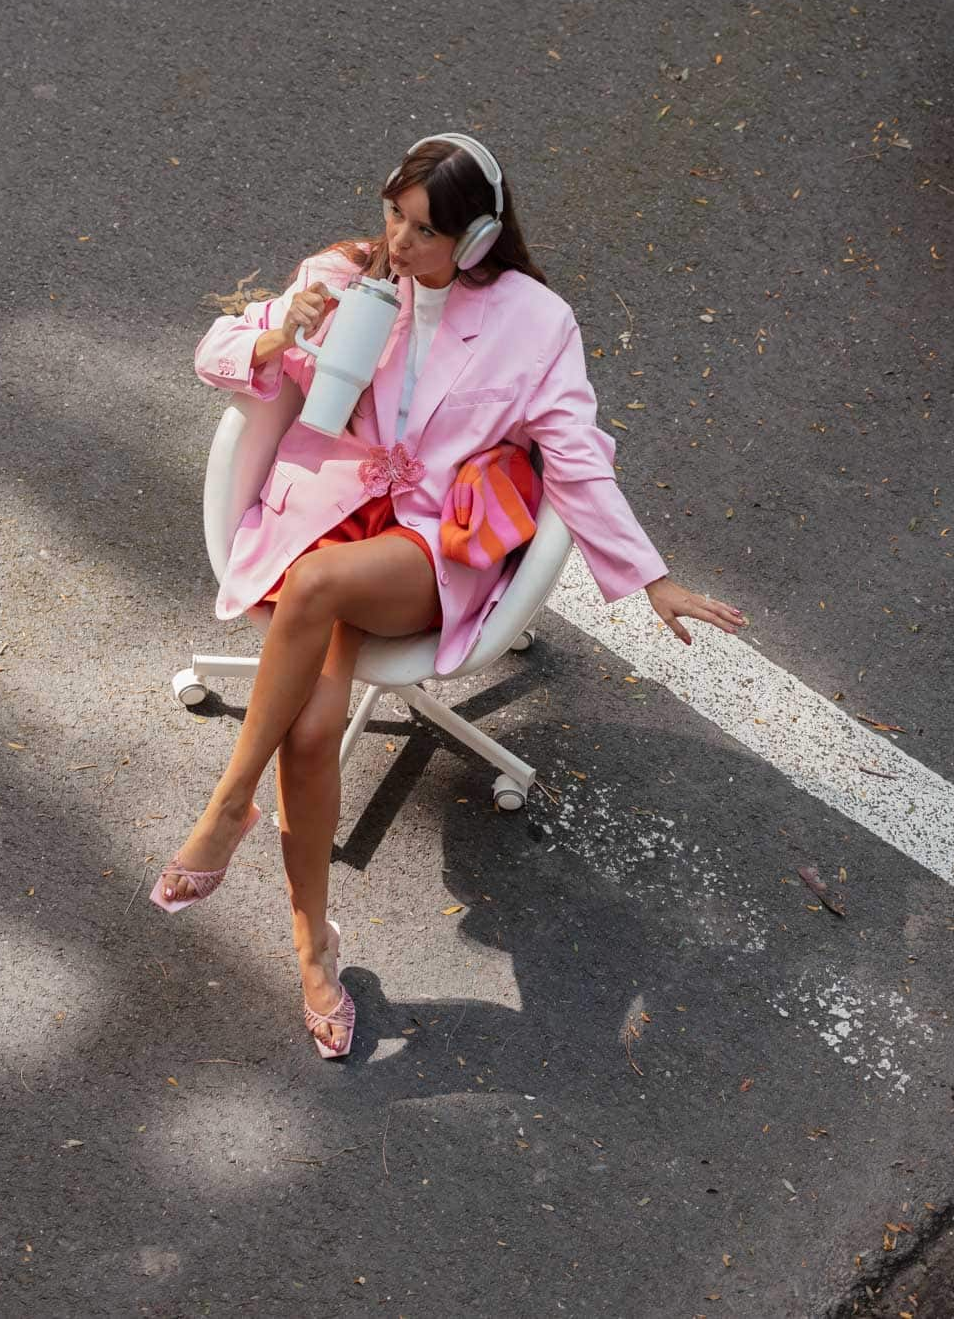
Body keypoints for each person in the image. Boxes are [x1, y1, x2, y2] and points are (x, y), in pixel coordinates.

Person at [151, 133, 743, 1057]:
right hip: (324, 515)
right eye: (393, 213)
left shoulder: (535, 323)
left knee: (316, 585)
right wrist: (285, 330)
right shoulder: (345, 275)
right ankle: (316, 949)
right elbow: (216, 352)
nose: (397, 242)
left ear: (474, 241)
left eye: (423, 231)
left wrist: (651, 577)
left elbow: (577, 457)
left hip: (426, 546)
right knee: (307, 737)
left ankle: (226, 808)